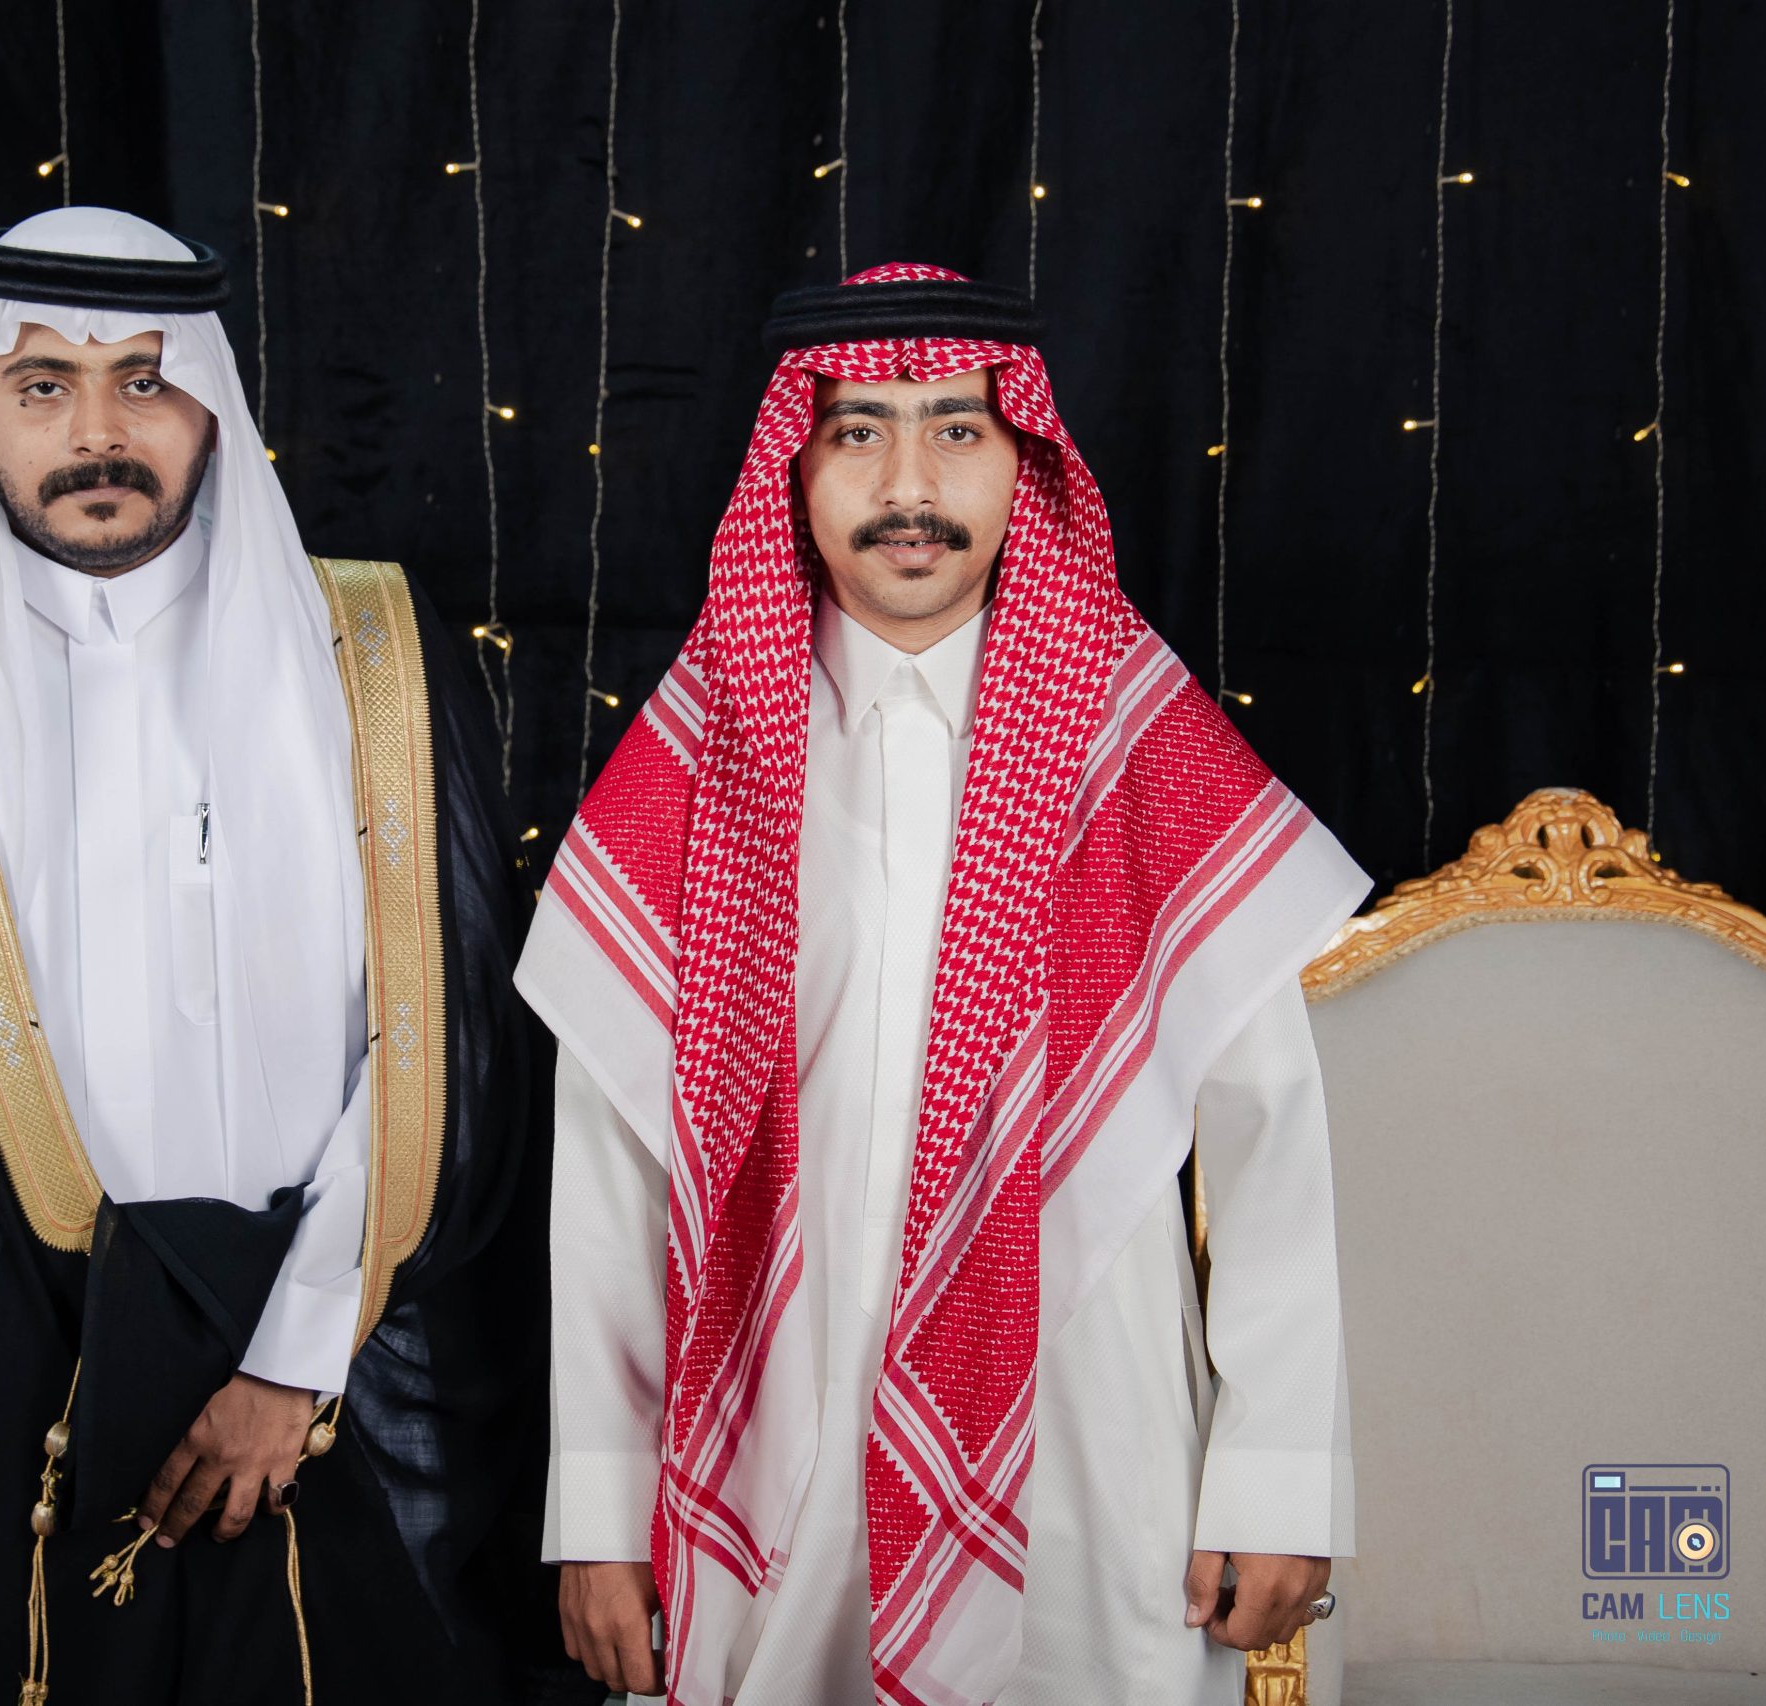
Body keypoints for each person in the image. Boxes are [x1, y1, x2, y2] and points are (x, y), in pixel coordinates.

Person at [0, 207, 571, 1705]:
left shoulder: (374, 652)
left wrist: (293, 1358)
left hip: (329, 1375)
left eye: (145, 380)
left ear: (211, 401)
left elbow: (457, 1043)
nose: (97, 433)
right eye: (43, 385)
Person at [517, 264, 1366, 1705]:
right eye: (858, 432)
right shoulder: (699, 754)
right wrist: (599, 1512)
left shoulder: (1130, 738)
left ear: (1024, 458)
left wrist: (1279, 1477)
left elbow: (1270, 1135)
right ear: (794, 467)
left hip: (1086, 1430)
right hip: (771, 1410)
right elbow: (608, 1164)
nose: (907, 484)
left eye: (957, 430)